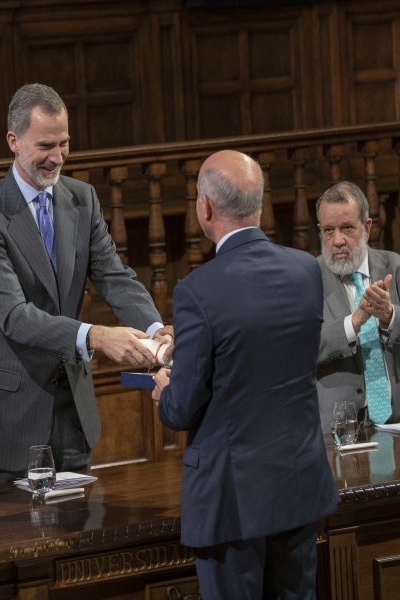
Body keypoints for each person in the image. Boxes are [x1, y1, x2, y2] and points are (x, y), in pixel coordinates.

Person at [151, 150, 338, 599]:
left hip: (232, 501)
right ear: (259, 204)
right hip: (297, 484)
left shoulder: (197, 291)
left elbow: (182, 408)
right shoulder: (306, 270)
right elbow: (274, 357)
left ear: (206, 208)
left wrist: (165, 387)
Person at [0, 83, 170, 484]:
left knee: (81, 537)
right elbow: (16, 317)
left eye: (64, 143)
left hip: (72, 411)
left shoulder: (82, 199)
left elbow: (114, 276)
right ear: (13, 141)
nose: (57, 157)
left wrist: (154, 330)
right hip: (11, 419)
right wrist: (95, 336)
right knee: (16, 546)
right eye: (45, 146)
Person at [315, 181, 400, 431]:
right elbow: (303, 348)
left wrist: (391, 316)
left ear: (367, 227)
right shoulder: (308, 279)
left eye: (347, 228)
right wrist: (353, 324)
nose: (337, 240)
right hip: (341, 428)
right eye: (328, 230)